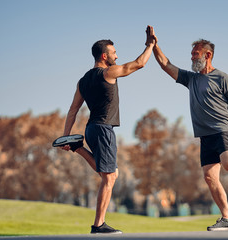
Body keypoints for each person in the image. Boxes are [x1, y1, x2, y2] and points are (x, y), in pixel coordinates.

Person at [150, 27, 228, 231]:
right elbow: (165, 65)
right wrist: (153, 45)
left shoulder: (223, 78)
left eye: (195, 54)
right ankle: (227, 219)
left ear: (208, 54)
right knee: (210, 177)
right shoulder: (191, 79)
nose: (192, 57)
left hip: (222, 129)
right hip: (205, 135)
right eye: (192, 54)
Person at [58, 26, 156, 234]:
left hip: (92, 128)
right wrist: (150, 45)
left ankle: (78, 147)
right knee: (109, 176)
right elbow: (139, 64)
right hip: (103, 129)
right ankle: (98, 225)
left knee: (110, 172)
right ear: (104, 56)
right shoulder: (108, 73)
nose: (117, 56)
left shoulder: (83, 81)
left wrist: (67, 135)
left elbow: (73, 109)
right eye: (114, 53)